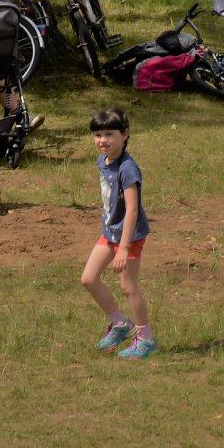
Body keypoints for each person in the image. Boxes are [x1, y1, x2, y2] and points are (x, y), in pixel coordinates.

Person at [79, 108, 156, 358]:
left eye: (109, 134)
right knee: (88, 279)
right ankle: (120, 324)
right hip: (110, 231)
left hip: (129, 236)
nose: (103, 140)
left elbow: (132, 209)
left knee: (128, 286)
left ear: (124, 134)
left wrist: (123, 248)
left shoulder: (128, 168)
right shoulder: (103, 161)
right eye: (98, 135)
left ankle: (146, 340)